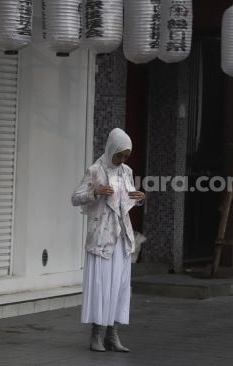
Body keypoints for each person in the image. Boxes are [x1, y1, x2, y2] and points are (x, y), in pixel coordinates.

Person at [71, 128, 145, 353]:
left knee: (119, 286)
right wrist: (95, 192)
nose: (122, 160)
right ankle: (96, 334)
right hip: (101, 237)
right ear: (111, 149)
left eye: (125, 156)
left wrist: (140, 198)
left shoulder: (127, 172)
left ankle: (112, 334)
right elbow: (75, 197)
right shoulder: (95, 170)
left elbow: (128, 198)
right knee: (100, 284)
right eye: (119, 155)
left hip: (121, 236)